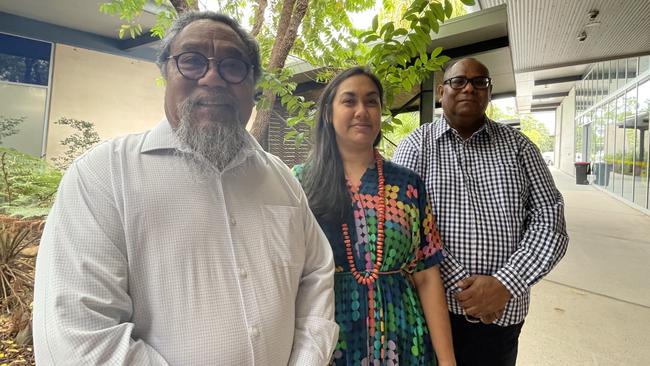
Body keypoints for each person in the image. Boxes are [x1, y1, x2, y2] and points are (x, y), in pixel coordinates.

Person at [33, 11, 338, 365]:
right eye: (192, 61)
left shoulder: (282, 180)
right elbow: (79, 338)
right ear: (166, 73)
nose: (212, 77)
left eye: (233, 65)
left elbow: (315, 275)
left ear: (253, 86)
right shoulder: (102, 177)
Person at [393, 58, 569, 366]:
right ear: (440, 91)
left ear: (489, 91)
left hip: (502, 317)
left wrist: (505, 283)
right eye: (459, 81)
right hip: (433, 313)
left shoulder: (520, 148)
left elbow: (549, 221)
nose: (469, 88)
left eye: (479, 82)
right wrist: (466, 290)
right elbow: (404, 230)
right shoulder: (415, 147)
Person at [292, 67, 456, 365]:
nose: (361, 111)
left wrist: (447, 362)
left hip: (404, 339)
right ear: (329, 113)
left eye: (371, 102)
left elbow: (427, 276)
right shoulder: (300, 184)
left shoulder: (408, 185)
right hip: (327, 337)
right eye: (349, 101)